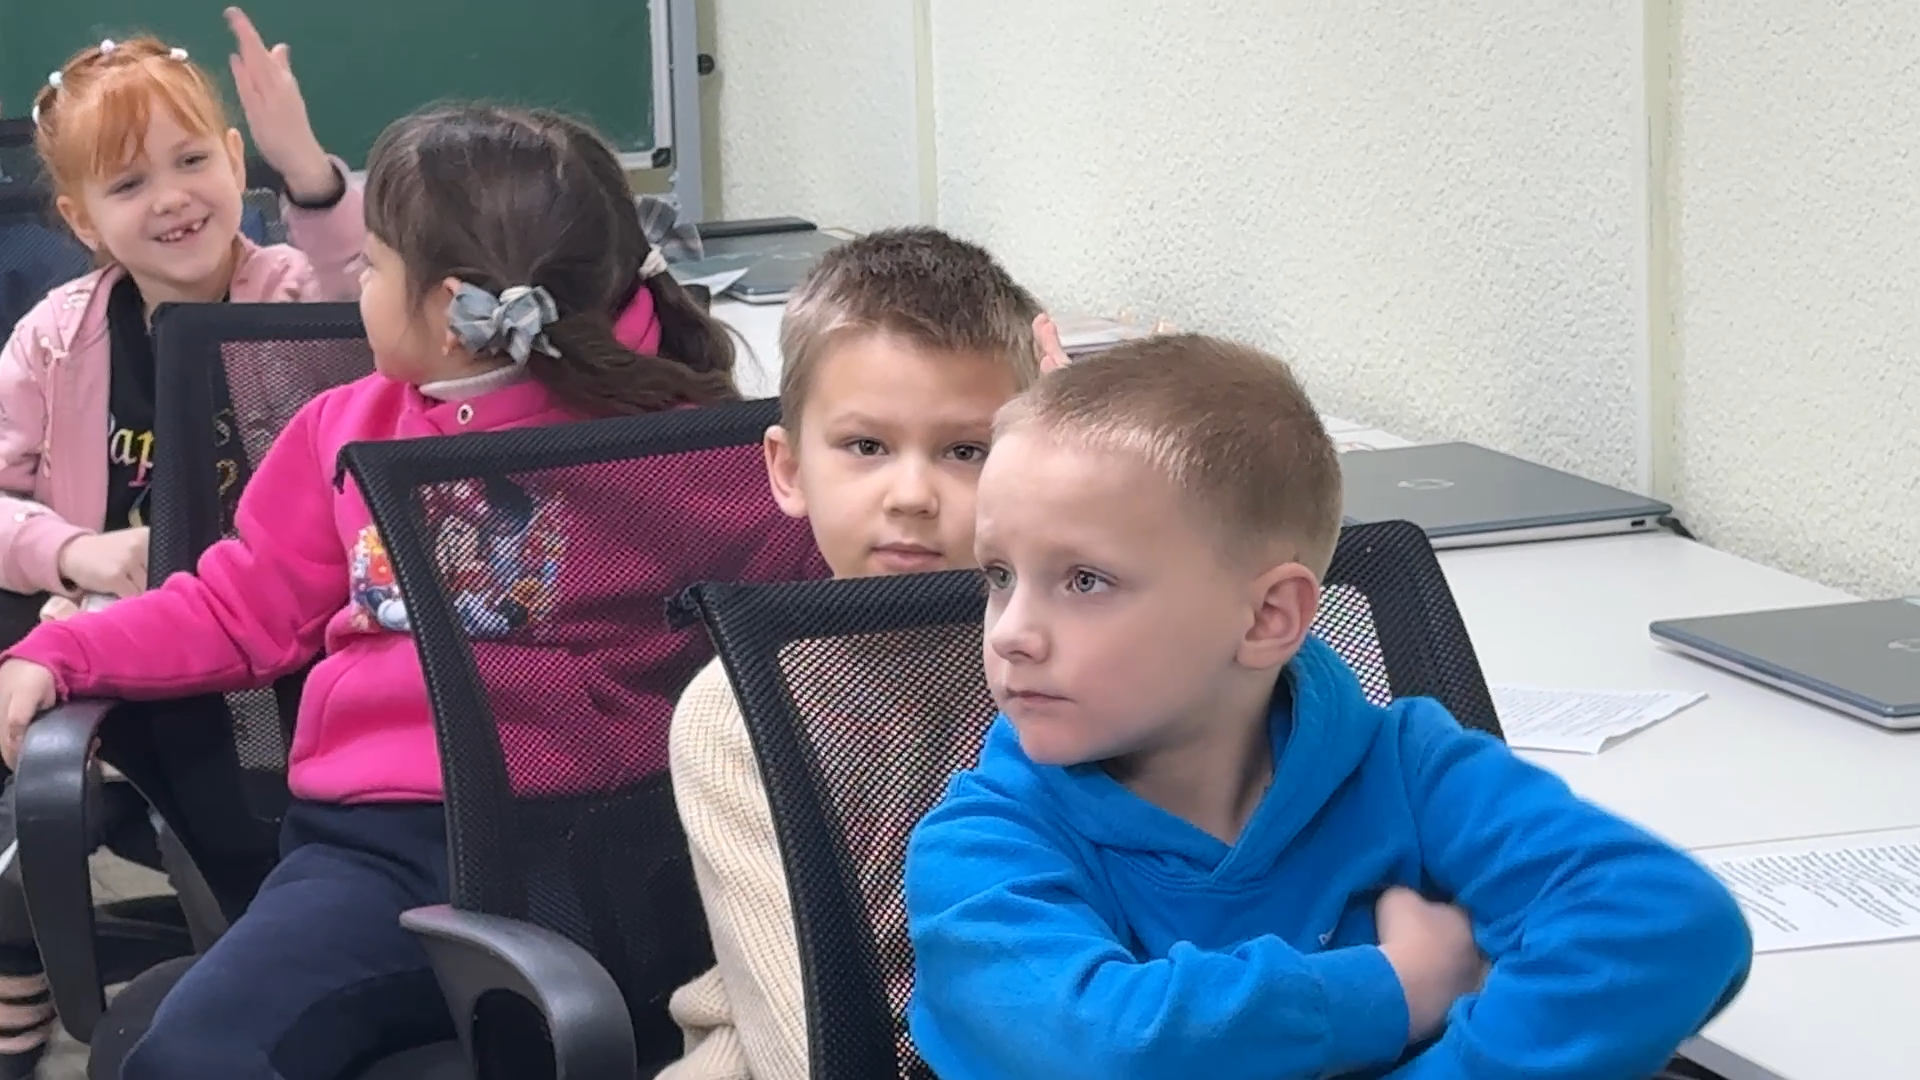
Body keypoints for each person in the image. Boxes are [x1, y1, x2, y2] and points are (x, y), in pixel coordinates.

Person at [0, 100, 740, 1080]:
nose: (362, 286)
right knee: (196, 1050)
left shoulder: (685, 427)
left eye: (377, 264)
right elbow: (234, 608)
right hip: (394, 859)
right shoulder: (347, 429)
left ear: (447, 306)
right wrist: (65, 650)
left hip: (626, 859)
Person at [905, 335, 1753, 1079]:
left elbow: (1663, 923)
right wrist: (1399, 986)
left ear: (1269, 617)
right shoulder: (979, 846)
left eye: (1085, 581)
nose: (1012, 632)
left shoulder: (1408, 767)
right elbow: (1109, 1049)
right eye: (999, 576)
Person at [0, 12, 364, 1073]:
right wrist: (75, 552)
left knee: (257, 827)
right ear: (79, 217)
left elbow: (366, 303)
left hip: (277, 635)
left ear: (235, 160)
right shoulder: (56, 337)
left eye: (193, 160)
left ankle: (262, 941)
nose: (171, 199)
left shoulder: (296, 292)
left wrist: (308, 171)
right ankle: (24, 946)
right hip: (117, 629)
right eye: (127, 185)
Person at [663, 227, 1058, 1080]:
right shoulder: (737, 713)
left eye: (967, 451)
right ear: (789, 469)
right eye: (866, 447)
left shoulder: (1069, 665)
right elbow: (809, 1044)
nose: (912, 495)